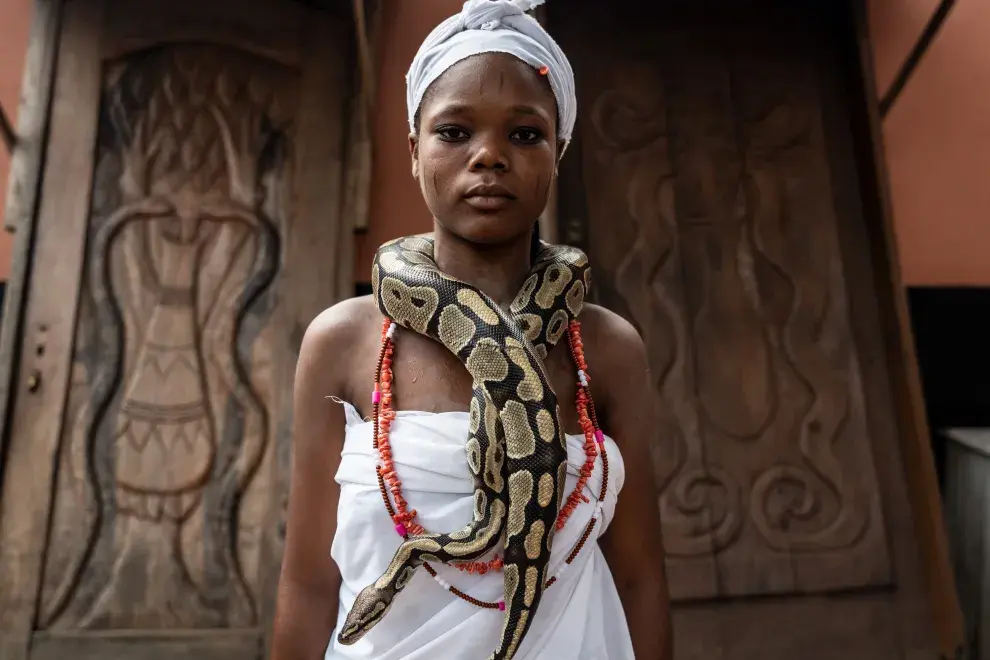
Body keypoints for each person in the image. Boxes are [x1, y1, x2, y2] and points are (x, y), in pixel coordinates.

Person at [271, 1, 672, 658]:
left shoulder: (605, 347)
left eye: (525, 134)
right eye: (454, 132)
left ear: (558, 153)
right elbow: (309, 583)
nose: (488, 155)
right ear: (413, 150)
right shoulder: (342, 342)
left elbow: (640, 577)